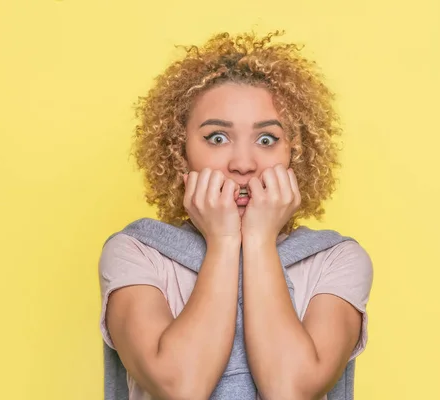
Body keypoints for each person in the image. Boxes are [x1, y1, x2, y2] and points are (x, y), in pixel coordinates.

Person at [98, 31, 374, 400]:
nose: (243, 164)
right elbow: (181, 387)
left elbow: (289, 390)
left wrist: (258, 240)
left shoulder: (336, 260)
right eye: (216, 138)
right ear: (179, 151)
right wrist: (225, 241)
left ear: (296, 152)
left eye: (266, 140)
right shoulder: (136, 252)